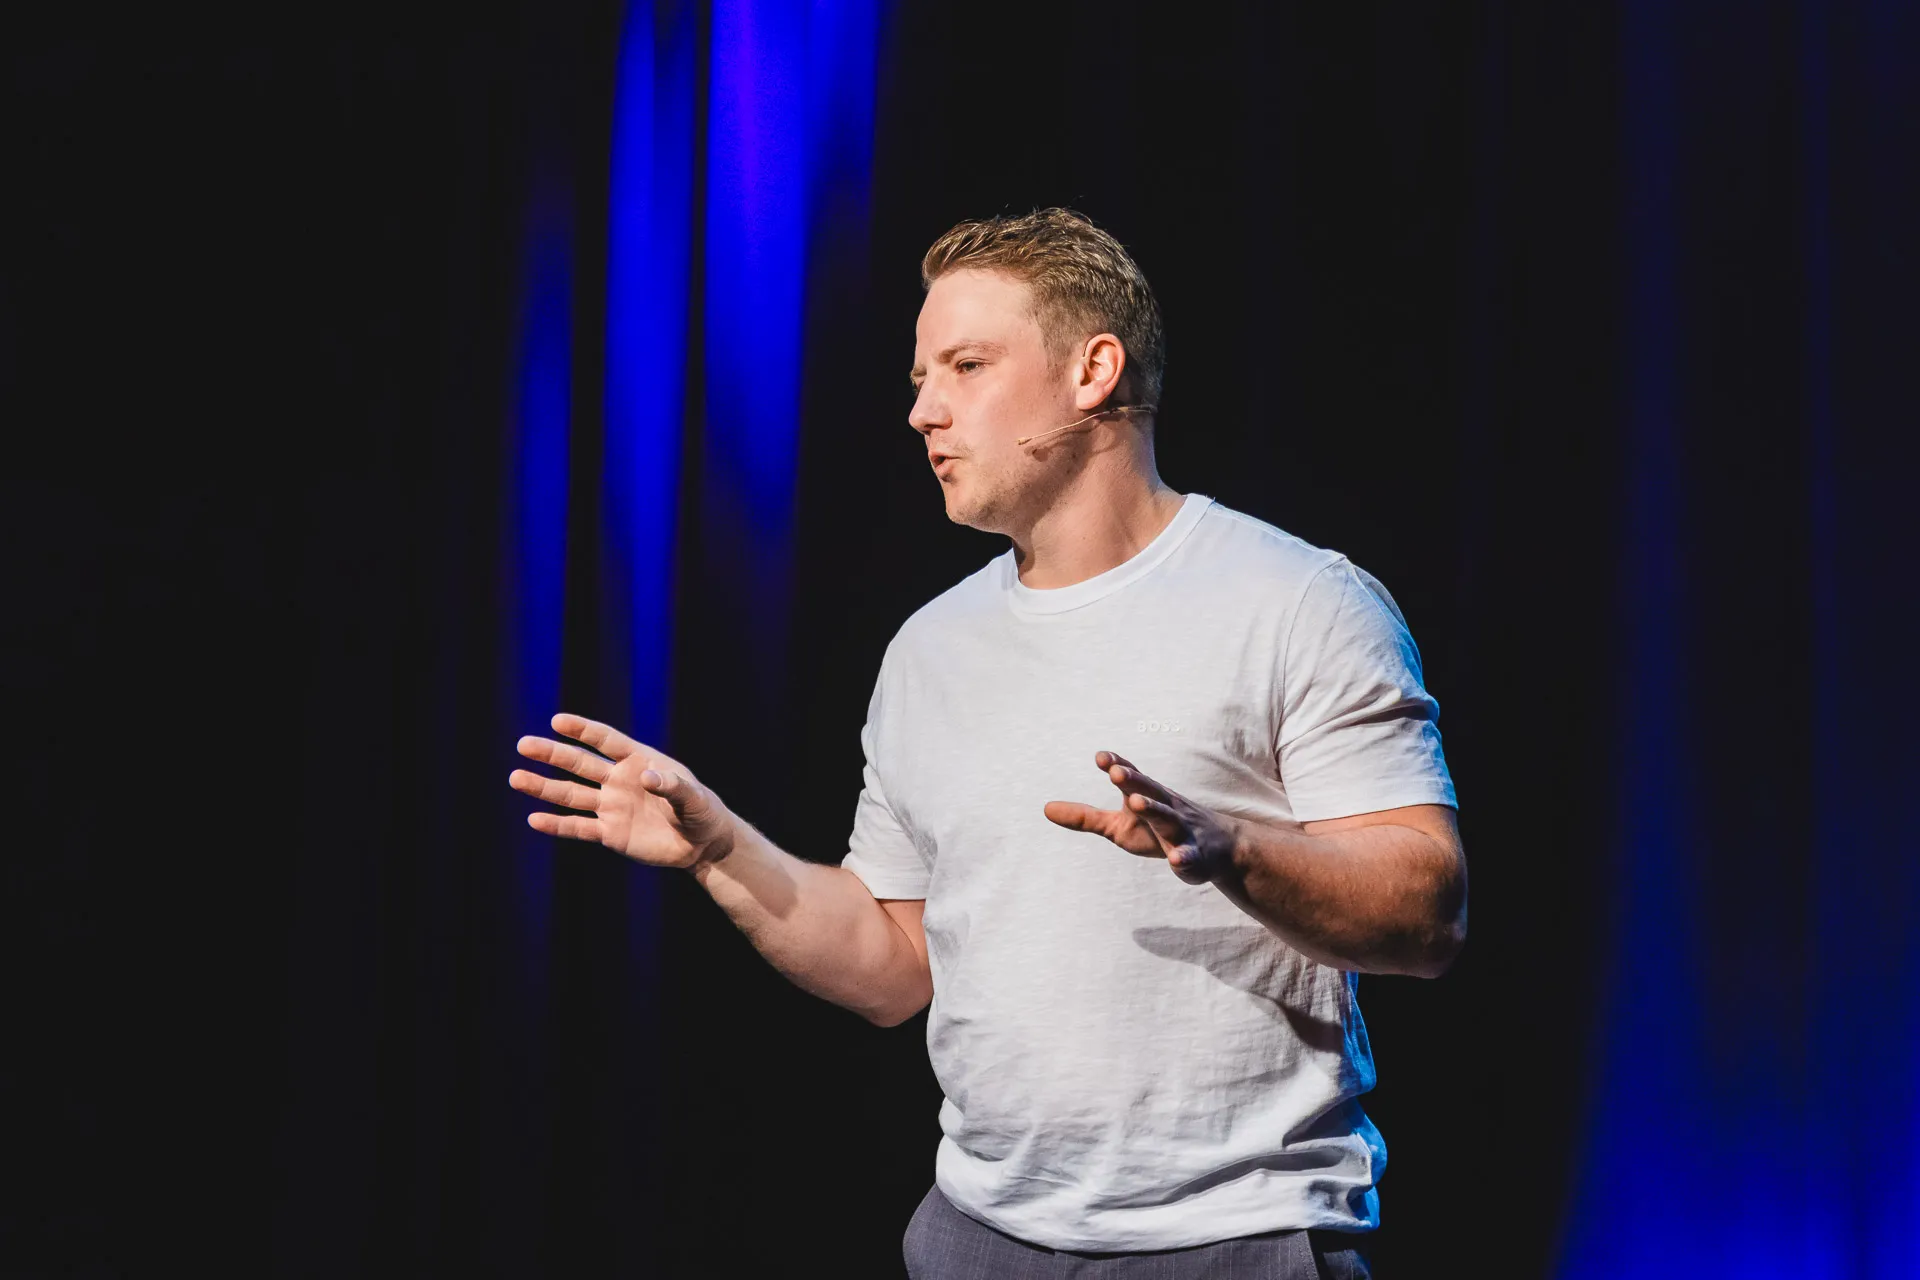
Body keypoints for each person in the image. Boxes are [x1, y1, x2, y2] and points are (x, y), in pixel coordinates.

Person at [509, 208, 1466, 1278]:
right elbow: (892, 964)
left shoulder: (1297, 601)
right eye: (922, 378)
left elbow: (1427, 915)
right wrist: (720, 848)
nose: (923, 410)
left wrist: (1231, 849)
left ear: (1094, 371)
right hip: (977, 1237)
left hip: (1231, 1238)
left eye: (966, 366)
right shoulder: (930, 649)